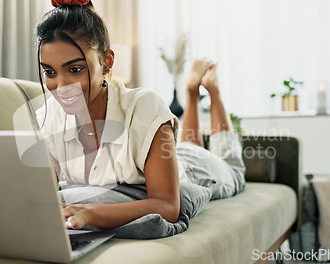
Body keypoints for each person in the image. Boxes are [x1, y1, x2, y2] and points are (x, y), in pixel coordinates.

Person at [35, 0, 245, 231]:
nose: (62, 86)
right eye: (50, 72)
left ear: (107, 62)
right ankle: (192, 94)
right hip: (166, 157)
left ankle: (210, 90)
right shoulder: (49, 117)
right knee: (187, 144)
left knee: (233, 169)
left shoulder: (144, 106)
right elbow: (41, 196)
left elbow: (168, 206)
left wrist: (90, 212)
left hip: (197, 170)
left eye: (75, 69)